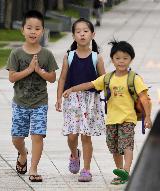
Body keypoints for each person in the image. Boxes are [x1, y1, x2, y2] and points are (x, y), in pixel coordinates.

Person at [62, 40, 152, 185]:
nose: (121, 61)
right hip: (111, 120)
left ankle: (127, 170)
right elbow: (90, 84)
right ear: (112, 60)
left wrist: (147, 116)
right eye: (117, 58)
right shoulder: (107, 78)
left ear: (131, 59)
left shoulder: (134, 78)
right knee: (114, 148)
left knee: (127, 145)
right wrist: (72, 89)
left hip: (128, 119)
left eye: (125, 58)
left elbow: (144, 98)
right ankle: (120, 170)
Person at [6, 10, 58, 182]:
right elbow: (11, 77)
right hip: (20, 102)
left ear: (42, 31)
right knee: (17, 138)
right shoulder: (16, 54)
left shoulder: (46, 55)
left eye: (37, 28)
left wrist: (39, 71)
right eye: (29, 28)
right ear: (22, 30)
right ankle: (22, 154)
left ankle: (34, 169)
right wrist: (28, 70)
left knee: (37, 135)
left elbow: (52, 78)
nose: (33, 31)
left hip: (40, 103)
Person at [55, 18, 106, 182]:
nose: (82, 34)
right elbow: (62, 79)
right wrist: (58, 99)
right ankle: (74, 154)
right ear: (73, 35)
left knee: (86, 136)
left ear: (93, 34)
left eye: (85, 31)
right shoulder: (68, 57)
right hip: (71, 100)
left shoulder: (96, 58)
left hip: (90, 101)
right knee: (71, 136)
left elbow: (103, 80)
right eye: (78, 31)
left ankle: (86, 169)